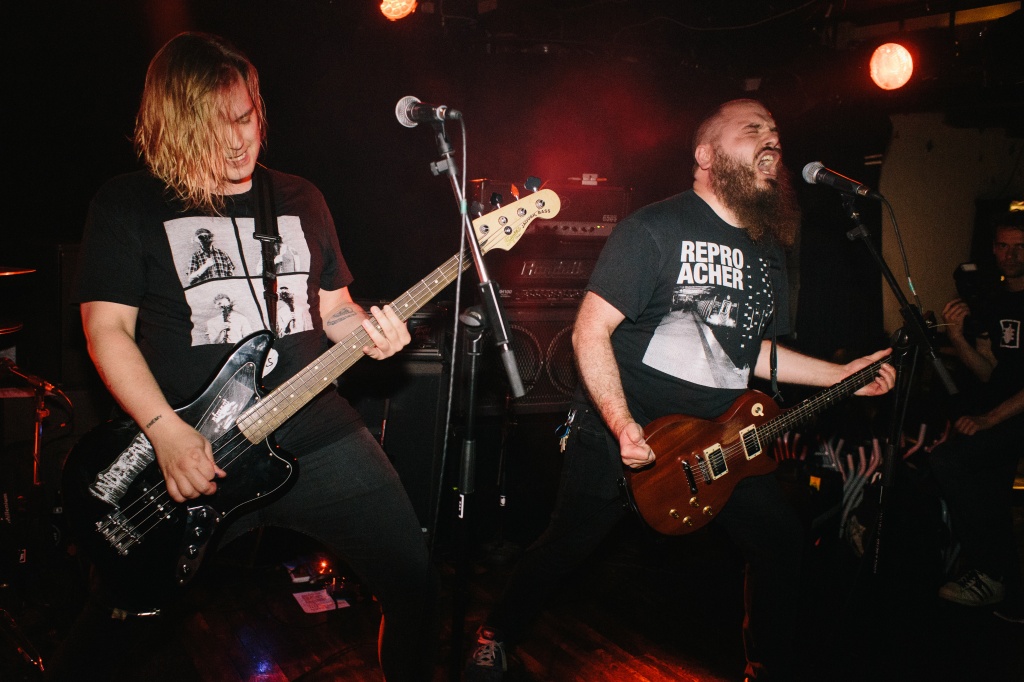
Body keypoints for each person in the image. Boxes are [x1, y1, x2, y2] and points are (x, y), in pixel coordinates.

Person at [50, 32, 439, 680]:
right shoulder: (129, 203)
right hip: (192, 451)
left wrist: (371, 331)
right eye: (216, 126)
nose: (238, 141)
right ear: (174, 125)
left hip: (318, 434)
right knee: (119, 620)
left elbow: (334, 309)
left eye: (246, 117)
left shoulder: (301, 197)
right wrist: (166, 432)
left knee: (416, 586)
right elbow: (106, 330)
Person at [464, 98, 896, 682]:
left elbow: (752, 352)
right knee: (566, 546)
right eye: (753, 129)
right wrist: (621, 425)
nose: (771, 139)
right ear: (706, 155)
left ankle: (766, 666)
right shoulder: (654, 228)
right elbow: (590, 330)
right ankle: (497, 633)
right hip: (628, 429)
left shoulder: (767, 249)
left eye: (775, 131)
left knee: (780, 542)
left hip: (719, 438)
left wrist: (841, 376)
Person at [930, 213, 1024, 622]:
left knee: (949, 461)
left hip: (1013, 417)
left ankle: (991, 571)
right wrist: (955, 335)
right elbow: (989, 371)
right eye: (1004, 246)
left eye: (1020, 247)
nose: (1011, 255)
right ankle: (1005, 590)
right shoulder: (997, 302)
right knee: (990, 493)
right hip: (1002, 414)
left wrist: (989, 420)